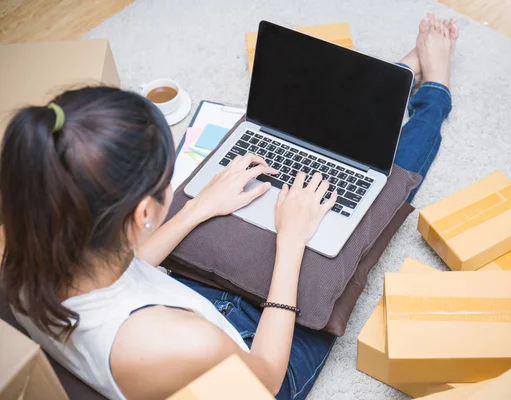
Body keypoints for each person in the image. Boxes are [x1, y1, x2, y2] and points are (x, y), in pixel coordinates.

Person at [0, 13, 458, 400]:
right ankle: (433, 91)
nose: (172, 186)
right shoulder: (174, 343)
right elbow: (262, 377)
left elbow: (116, 274)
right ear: (141, 214)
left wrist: (197, 209)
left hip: (185, 310)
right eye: (167, 180)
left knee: (278, 153)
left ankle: (389, 84)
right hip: (247, 358)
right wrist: (292, 241)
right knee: (369, 215)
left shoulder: (23, 240)